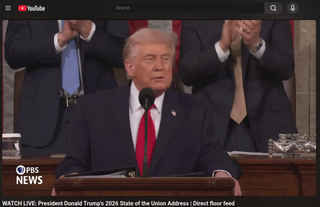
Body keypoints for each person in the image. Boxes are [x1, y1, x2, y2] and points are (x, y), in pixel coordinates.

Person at [54, 28, 241, 195]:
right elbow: (74, 163)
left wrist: (223, 175)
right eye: (150, 59)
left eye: (166, 58)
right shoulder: (93, 109)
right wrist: (68, 181)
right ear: (130, 67)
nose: (160, 66)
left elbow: (212, 154)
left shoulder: (194, 109)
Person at [4, 20, 129, 158]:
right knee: (39, 178)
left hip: (99, 117)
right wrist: (59, 40)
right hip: (41, 122)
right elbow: (13, 52)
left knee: (101, 177)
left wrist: (89, 30)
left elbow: (123, 53)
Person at [178, 20, 298, 153]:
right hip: (213, 124)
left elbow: (287, 68)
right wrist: (221, 47)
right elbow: (186, 73)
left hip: (268, 123)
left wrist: (256, 45)